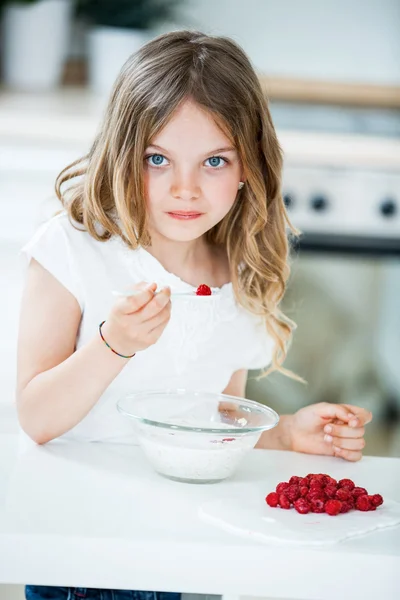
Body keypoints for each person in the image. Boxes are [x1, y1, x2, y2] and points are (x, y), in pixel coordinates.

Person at [17, 30, 372, 600]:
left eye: (213, 161)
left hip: (183, 548)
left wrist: (283, 434)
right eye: (157, 159)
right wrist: (115, 344)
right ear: (122, 154)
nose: (185, 188)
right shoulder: (75, 248)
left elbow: (211, 430)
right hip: (84, 550)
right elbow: (36, 417)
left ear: (247, 168)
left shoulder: (239, 276)